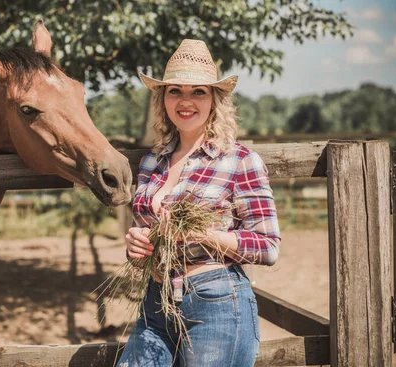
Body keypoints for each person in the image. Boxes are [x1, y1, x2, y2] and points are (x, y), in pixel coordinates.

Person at [117, 39, 281, 367]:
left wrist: (205, 235)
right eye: (175, 90)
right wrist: (135, 243)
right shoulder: (152, 161)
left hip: (216, 304)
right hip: (156, 301)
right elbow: (146, 231)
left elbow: (268, 246)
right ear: (162, 99)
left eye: (199, 92)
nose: (185, 101)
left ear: (215, 99)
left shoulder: (239, 160)